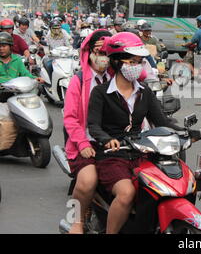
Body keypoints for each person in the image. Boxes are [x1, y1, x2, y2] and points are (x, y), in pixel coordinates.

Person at [87, 32, 186, 234]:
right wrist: (107, 140)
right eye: (132, 61)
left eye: (140, 62)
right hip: (112, 155)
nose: (137, 66)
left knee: (169, 185)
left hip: (142, 153)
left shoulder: (145, 92)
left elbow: (161, 122)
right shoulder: (100, 92)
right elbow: (93, 126)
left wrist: (185, 132)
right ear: (116, 62)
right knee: (126, 193)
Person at [63, 29, 113, 234]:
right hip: (84, 142)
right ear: (89, 51)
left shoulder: (118, 77)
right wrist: (82, 143)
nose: (102, 58)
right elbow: (70, 118)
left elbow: (144, 72)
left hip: (114, 142)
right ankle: (76, 221)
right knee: (87, 181)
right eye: (98, 51)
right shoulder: (78, 80)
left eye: (107, 52)